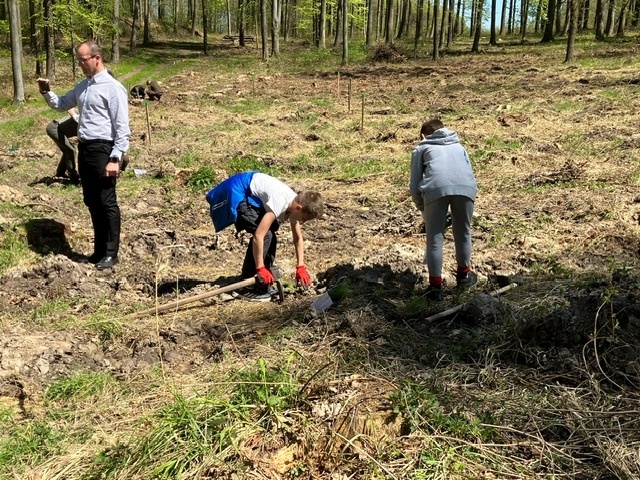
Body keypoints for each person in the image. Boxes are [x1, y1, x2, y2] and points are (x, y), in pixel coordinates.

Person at [37, 40, 130, 270]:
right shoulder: (82, 87)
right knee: (91, 201)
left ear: (97, 58)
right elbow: (61, 104)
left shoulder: (113, 88)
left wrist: (115, 158)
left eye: (83, 60)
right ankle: (98, 251)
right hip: (86, 148)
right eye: (78, 60)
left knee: (107, 201)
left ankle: (111, 252)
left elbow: (122, 128)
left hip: (104, 149)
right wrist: (46, 91)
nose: (80, 64)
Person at [206, 171, 323, 301]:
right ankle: (246, 287)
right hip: (236, 190)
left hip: (250, 192)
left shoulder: (294, 204)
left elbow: (297, 238)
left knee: (271, 233)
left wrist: (300, 266)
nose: (302, 222)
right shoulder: (281, 202)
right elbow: (259, 236)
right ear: (299, 208)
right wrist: (260, 268)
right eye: (304, 219)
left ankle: (262, 282)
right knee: (266, 235)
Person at [409, 119, 478, 301]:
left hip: (435, 190)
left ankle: (435, 288)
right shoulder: (459, 146)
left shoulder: (421, 148)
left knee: (434, 239)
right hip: (466, 188)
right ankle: (464, 277)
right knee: (463, 232)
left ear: (423, 136)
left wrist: (422, 208)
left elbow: (415, 187)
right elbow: (468, 171)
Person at [46, 108, 80, 184]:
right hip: (54, 128)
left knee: (67, 150)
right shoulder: (82, 117)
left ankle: (60, 173)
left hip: (58, 129)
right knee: (70, 150)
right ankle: (73, 176)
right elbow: (71, 109)